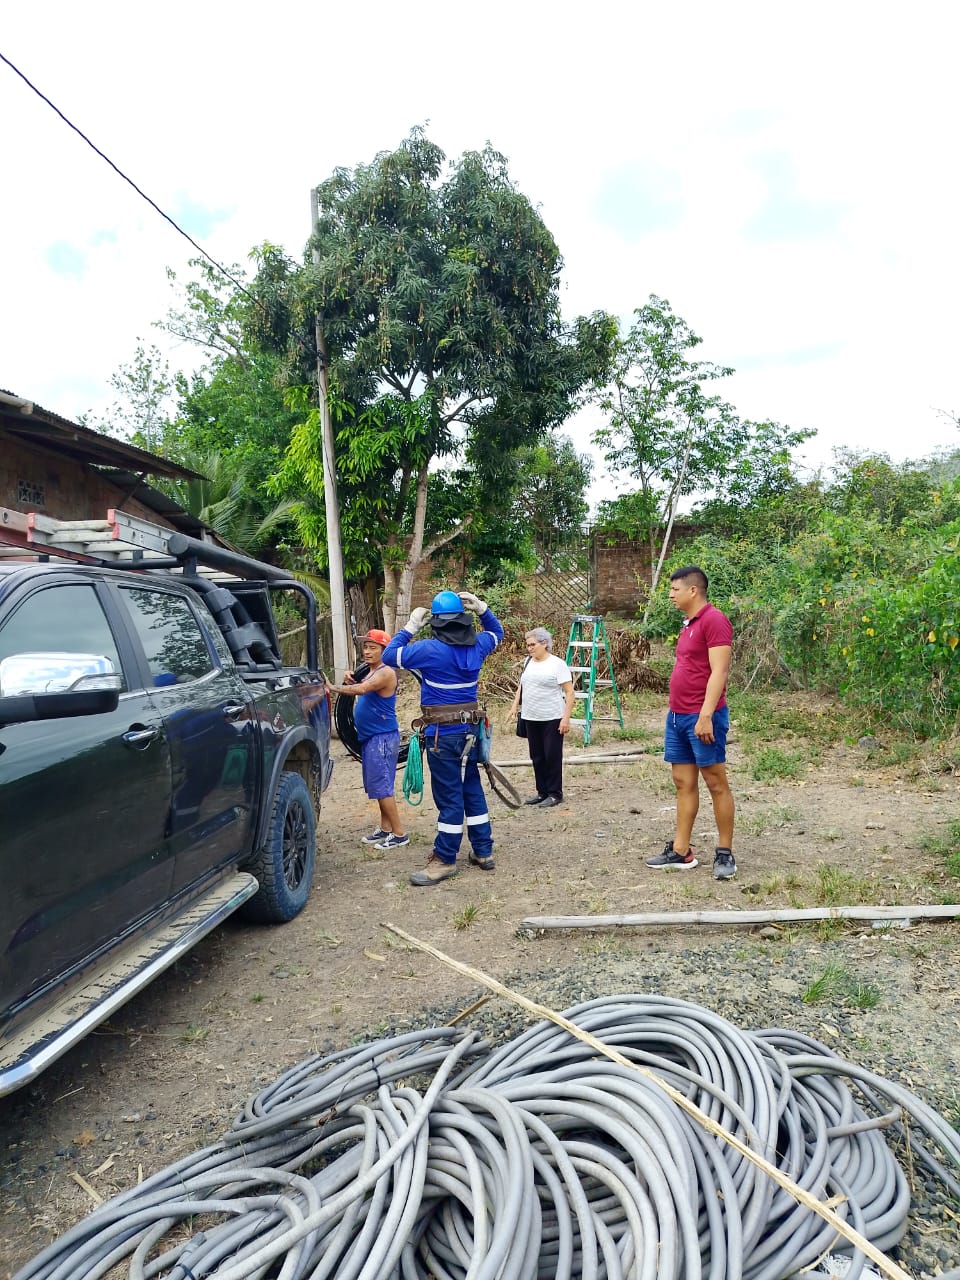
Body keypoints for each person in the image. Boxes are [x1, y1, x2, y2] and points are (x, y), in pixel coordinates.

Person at [382, 590, 503, 886]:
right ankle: (483, 851)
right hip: (471, 733)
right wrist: (484, 609)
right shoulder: (479, 645)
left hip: (442, 736)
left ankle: (445, 859)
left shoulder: (428, 650)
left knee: (450, 796)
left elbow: (389, 655)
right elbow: (497, 633)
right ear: (463, 619)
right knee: (471, 788)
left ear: (435, 622)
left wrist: (411, 625)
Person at [645, 565, 737, 880]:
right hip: (677, 717)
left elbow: (719, 671)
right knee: (683, 782)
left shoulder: (714, 620)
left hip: (702, 717)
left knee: (715, 782)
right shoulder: (689, 624)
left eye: (675, 589)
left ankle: (724, 853)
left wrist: (706, 715)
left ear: (693, 590)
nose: (671, 595)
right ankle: (681, 851)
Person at [327, 630, 408, 850]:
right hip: (372, 738)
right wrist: (349, 679)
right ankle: (385, 828)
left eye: (373, 647)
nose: (367, 651)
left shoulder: (386, 672)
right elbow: (361, 684)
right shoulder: (371, 672)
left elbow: (363, 689)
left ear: (385, 651)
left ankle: (399, 834)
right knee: (379, 786)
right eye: (365, 647)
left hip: (382, 738)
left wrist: (333, 687)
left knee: (383, 787)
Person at [508, 628, 575, 807]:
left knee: (551, 756)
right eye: (527, 645)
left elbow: (569, 692)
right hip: (531, 716)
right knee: (536, 756)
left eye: (532, 644)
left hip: (552, 717)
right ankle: (542, 792)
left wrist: (566, 719)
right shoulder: (528, 662)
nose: (529, 648)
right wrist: (515, 706)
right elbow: (522, 686)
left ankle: (555, 793)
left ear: (544, 644)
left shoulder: (557, 664)